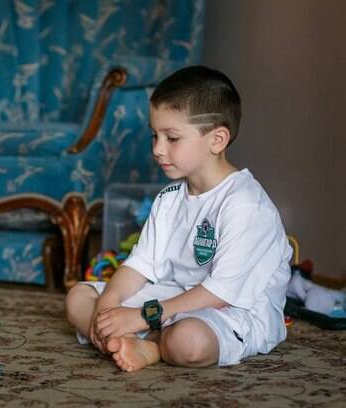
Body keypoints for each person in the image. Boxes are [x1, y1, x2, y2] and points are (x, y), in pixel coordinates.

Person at [66, 65, 292, 372]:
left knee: (188, 342)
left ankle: (153, 345)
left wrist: (141, 317)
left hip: (229, 310)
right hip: (169, 299)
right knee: (79, 299)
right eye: (154, 136)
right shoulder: (170, 197)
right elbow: (138, 266)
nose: (158, 149)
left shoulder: (246, 206)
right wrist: (108, 306)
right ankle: (135, 339)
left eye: (172, 138)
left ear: (217, 140)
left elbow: (218, 294)